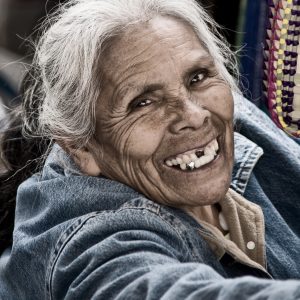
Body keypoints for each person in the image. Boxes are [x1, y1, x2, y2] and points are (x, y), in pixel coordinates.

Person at [0, 0, 300, 299]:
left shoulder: (231, 117)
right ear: (81, 146)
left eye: (197, 77)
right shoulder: (92, 241)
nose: (194, 116)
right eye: (143, 102)